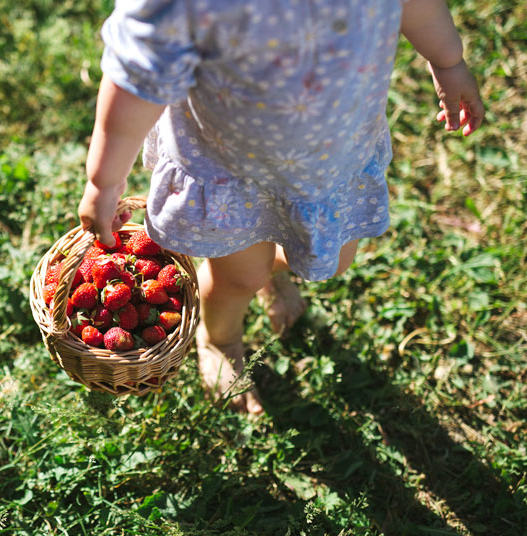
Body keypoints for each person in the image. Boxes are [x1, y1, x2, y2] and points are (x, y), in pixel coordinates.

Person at [77, 0, 484, 413]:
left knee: (336, 262)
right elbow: (135, 76)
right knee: (238, 278)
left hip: (330, 163)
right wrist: (104, 179)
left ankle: (267, 263)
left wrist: (448, 62)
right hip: (229, 174)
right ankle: (220, 338)